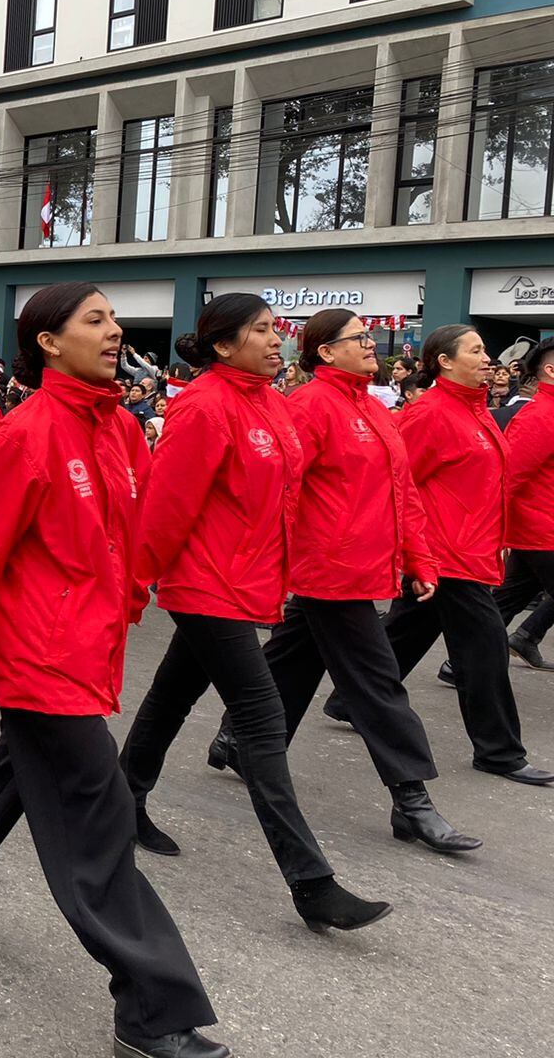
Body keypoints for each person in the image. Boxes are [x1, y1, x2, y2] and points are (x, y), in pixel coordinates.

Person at [0, 284, 230, 1058]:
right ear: (48, 341)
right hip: (43, 656)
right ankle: (151, 1010)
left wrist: (134, 593)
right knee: (98, 820)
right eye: (96, 320)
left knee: (17, 774)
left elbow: (136, 524)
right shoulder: (28, 432)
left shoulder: (117, 425)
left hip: (90, 642)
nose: (115, 331)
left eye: (114, 319)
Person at [120, 293, 390, 932]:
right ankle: (311, 882)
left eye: (277, 329)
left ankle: (122, 803)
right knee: (263, 721)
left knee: (172, 695)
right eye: (262, 331)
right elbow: (165, 508)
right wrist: (136, 586)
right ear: (222, 344)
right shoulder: (204, 407)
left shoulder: (271, 402)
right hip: (205, 582)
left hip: (248, 581)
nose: (276, 340)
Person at [205, 309, 479, 854]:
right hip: (329, 568)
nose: (373, 343)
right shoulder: (308, 406)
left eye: (371, 336)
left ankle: (237, 737)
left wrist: (418, 557)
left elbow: (402, 492)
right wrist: (271, 560)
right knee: (379, 684)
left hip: (359, 565)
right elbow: (277, 488)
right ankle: (411, 798)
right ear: (325, 352)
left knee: (296, 655)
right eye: (360, 337)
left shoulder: (373, 407)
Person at [339, 326, 554, 785]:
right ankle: (499, 752)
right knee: (485, 649)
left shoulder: (473, 410)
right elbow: (397, 482)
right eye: (475, 350)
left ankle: (349, 700)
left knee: (407, 631)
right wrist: (408, 548)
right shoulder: (431, 413)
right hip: (444, 553)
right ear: (445, 362)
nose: (487, 357)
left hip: (471, 550)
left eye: (484, 349)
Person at [492, 340, 554, 670]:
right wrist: (495, 529)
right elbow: (510, 475)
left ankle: (462, 665)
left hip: (541, 529)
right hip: (541, 528)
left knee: (505, 600)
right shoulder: (540, 415)